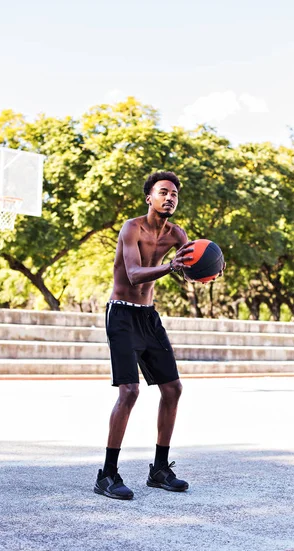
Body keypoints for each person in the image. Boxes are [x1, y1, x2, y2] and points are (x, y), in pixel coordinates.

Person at [94, 171, 195, 500]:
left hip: (148, 317)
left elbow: (193, 261)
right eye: (163, 192)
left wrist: (212, 265)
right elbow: (135, 274)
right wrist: (172, 267)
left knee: (173, 389)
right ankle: (107, 475)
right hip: (121, 314)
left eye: (174, 195)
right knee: (130, 391)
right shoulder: (131, 228)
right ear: (149, 198)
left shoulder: (176, 233)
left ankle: (159, 469)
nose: (170, 198)